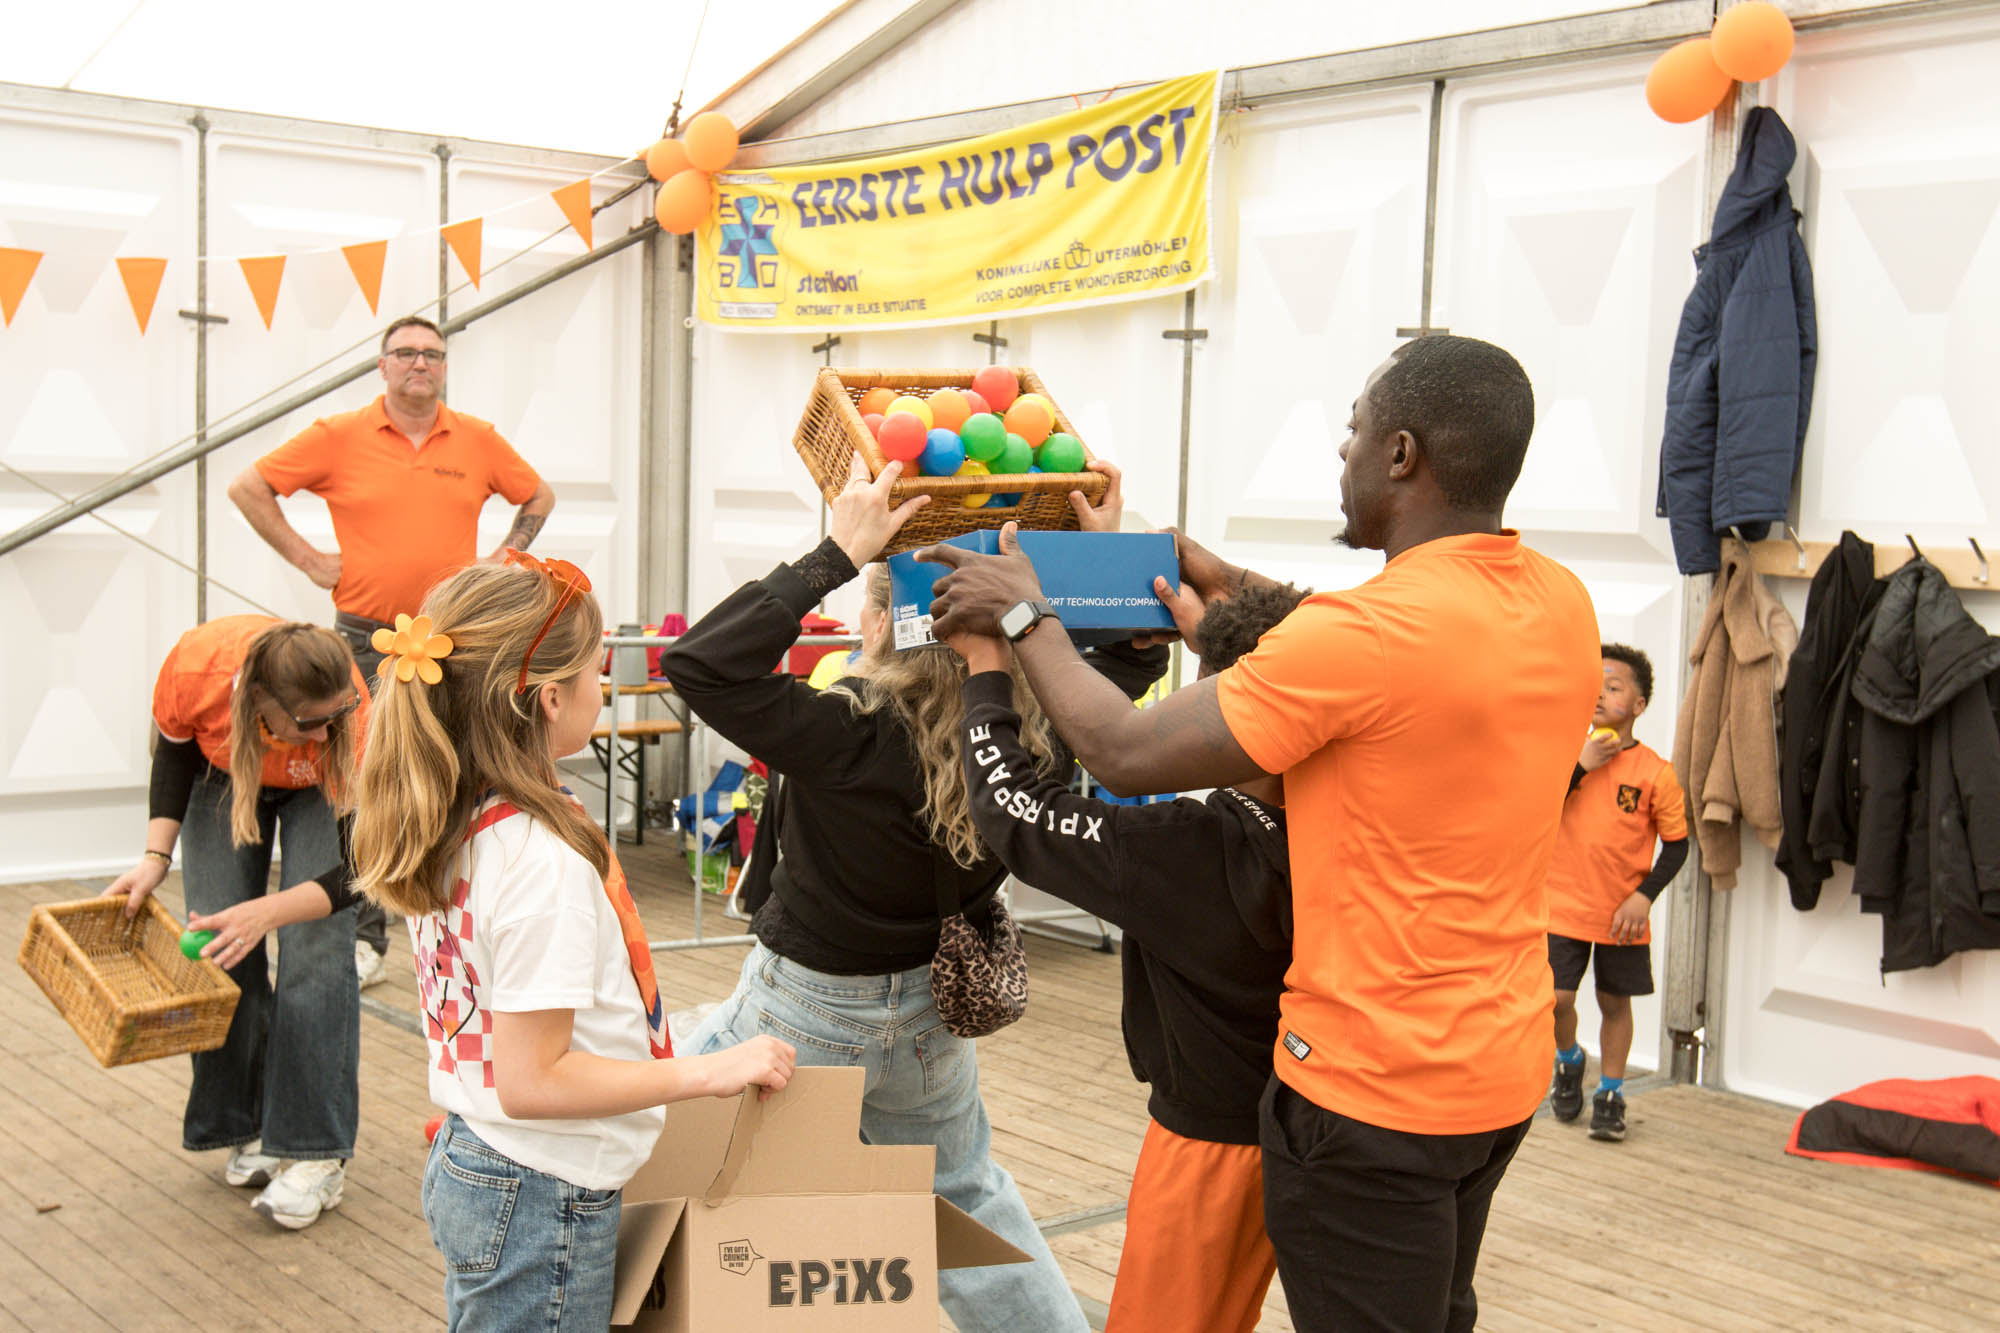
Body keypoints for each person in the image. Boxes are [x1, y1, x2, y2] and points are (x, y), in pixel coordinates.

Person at [922, 334, 1602, 1333]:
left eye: (1354, 432)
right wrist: (1226, 580)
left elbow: (1120, 751)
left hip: (1369, 1095)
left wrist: (1024, 622)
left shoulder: (1361, 639)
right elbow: (1373, 649)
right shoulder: (1559, 601)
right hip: (1497, 1074)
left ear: (1402, 454)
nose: (1342, 451)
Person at [663, 455, 1163, 1333]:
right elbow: (1126, 662)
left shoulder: (846, 728)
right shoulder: (1034, 734)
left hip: (806, 1012)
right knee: (964, 1198)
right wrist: (1095, 559)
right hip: (931, 1012)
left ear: (880, 620)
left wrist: (836, 551)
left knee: (649, 1123)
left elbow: (702, 663)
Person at [349, 554, 795, 1332]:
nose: (605, 686)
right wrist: (705, 1071)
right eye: (596, 669)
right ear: (550, 697)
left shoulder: (457, 811)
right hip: (539, 1191)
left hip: (493, 1160)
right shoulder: (538, 859)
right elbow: (534, 1080)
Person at [943, 580, 1306, 1333]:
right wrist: (1215, 647)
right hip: (1331, 1120)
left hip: (1212, 1148)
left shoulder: (1186, 850)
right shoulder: (1358, 804)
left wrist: (987, 671)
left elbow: (1014, 810)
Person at [227, 314, 556, 987]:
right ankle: (365, 932)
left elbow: (538, 495)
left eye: (432, 354)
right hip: (362, 640)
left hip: (449, 640)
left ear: (444, 366)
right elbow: (247, 487)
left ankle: (457, 918)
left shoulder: (476, 439)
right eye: (405, 352)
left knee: (452, 773)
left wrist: (504, 556)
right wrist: (309, 558)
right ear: (382, 365)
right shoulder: (337, 436)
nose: (419, 363)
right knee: (364, 786)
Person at [102, 618, 370, 1230]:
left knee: (315, 954)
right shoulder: (194, 670)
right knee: (219, 948)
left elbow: (359, 870)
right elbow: (173, 756)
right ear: (257, 702)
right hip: (220, 771)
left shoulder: (348, 718)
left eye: (333, 716)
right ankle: (245, 1127)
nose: (323, 730)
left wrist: (268, 912)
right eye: (308, 722)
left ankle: (315, 1153)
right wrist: (154, 859)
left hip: (320, 787)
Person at [1546, 644, 1688, 1142]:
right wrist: (1581, 766)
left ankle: (1610, 1092)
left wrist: (1644, 896)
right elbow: (1538, 805)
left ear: (1640, 704)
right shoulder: (1566, 754)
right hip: (1561, 907)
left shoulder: (1656, 772)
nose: (1601, 695)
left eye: (1613, 686)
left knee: (1614, 1001)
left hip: (1620, 916)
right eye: (1595, 686)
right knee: (1555, 999)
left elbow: (1677, 846)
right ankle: (1569, 1059)